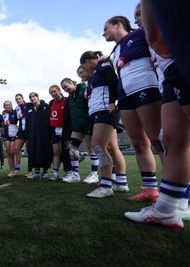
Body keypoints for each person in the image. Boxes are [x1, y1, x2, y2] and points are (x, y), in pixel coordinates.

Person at [124, 0, 190, 228]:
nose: (136, 19)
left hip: (177, 60)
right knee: (171, 140)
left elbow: (155, 38)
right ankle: (169, 207)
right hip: (169, 73)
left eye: (139, 13)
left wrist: (155, 38)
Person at [103, 15, 161, 202]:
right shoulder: (115, 49)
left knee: (159, 140)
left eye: (106, 28)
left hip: (146, 87)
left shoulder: (140, 33)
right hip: (125, 96)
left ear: (118, 25)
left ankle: (177, 192)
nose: (103, 32)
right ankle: (150, 189)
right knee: (139, 143)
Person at [79, 51, 128, 198]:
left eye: (84, 66)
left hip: (105, 109)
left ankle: (106, 185)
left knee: (98, 145)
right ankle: (121, 183)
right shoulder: (96, 73)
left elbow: (113, 81)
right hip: (99, 110)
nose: (85, 70)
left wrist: (112, 102)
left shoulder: (103, 65)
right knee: (112, 148)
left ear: (88, 61)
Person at [60, 76, 99, 184]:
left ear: (72, 82)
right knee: (72, 149)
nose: (66, 90)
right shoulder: (70, 97)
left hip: (88, 123)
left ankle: (94, 174)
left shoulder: (84, 89)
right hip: (77, 126)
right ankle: (75, 174)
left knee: (91, 149)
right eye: (64, 89)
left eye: (66, 87)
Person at [25, 92, 52, 179]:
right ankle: (37, 172)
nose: (32, 98)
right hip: (33, 135)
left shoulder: (46, 107)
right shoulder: (30, 109)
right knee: (34, 152)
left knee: (45, 151)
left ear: (37, 97)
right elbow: (28, 123)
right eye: (30, 97)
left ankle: (45, 171)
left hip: (44, 134)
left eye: (34, 96)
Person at [48, 85, 67, 181]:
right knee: (56, 152)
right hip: (54, 131)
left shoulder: (67, 101)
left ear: (59, 91)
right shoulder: (51, 103)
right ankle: (55, 173)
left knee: (65, 152)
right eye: (51, 93)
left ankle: (69, 172)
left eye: (54, 91)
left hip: (65, 130)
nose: (53, 94)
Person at [13, 94, 32, 177]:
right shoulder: (17, 108)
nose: (18, 100)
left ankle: (30, 170)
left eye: (19, 99)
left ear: (23, 98)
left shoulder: (29, 105)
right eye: (16, 99)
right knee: (16, 149)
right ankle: (17, 170)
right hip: (21, 131)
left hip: (29, 131)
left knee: (29, 150)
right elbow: (14, 117)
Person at [2, 100, 18, 177]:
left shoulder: (15, 112)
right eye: (6, 105)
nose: (8, 106)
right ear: (4, 107)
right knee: (9, 153)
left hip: (14, 134)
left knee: (13, 152)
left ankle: (16, 169)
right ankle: (12, 170)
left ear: (11, 105)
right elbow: (2, 124)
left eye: (9, 105)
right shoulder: (4, 114)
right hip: (6, 135)